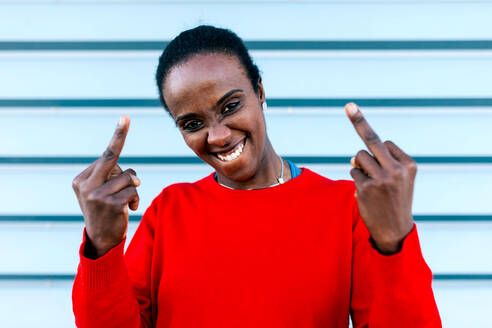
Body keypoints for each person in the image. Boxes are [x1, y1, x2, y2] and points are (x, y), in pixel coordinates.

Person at [71, 25, 441, 327]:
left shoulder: (345, 207)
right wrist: (100, 248)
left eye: (231, 106)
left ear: (260, 90)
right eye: (193, 123)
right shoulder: (169, 212)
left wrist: (395, 241)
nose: (217, 136)